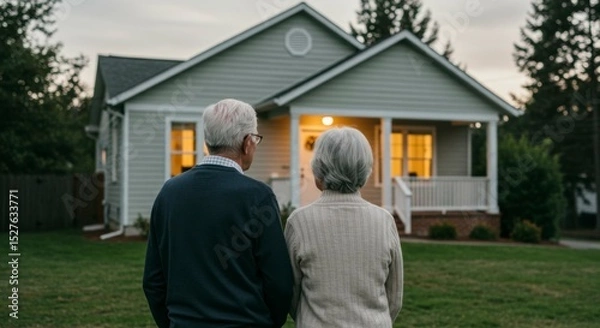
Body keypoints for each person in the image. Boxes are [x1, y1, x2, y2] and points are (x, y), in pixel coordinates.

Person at [143, 99, 293, 328]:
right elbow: (279, 282)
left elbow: (154, 280)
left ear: (207, 141)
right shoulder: (258, 196)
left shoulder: (169, 193)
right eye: (256, 139)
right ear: (247, 142)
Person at [285, 127, 403, 328]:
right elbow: (394, 296)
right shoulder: (384, 220)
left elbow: (291, 294)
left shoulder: (299, 222)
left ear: (318, 170)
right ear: (365, 170)